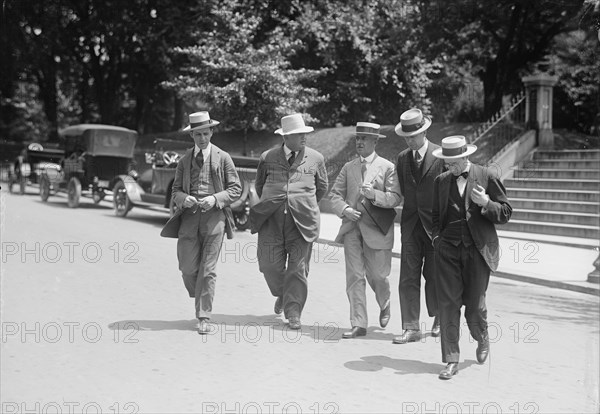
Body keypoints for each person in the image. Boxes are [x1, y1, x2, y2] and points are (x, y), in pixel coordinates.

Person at [431, 135, 512, 380]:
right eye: (446, 162)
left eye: (453, 162)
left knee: (475, 308)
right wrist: (437, 239)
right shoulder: (441, 181)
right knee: (448, 305)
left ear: (466, 156)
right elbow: (435, 217)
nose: (449, 167)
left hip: (477, 251)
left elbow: (506, 212)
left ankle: (482, 337)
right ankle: (451, 360)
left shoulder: (487, 176)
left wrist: (486, 202)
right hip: (447, 252)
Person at [250, 113, 328, 330]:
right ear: (286, 137)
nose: (304, 137)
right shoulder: (268, 157)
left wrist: (302, 203)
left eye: (305, 133)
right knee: (268, 265)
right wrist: (275, 202)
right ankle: (284, 294)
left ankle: (293, 312)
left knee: (298, 269)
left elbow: (322, 187)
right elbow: (259, 185)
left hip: (301, 222)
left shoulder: (316, 158)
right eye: (298, 134)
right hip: (272, 220)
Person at [168, 111, 242, 335]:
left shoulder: (224, 157)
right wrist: (184, 199)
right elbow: (175, 191)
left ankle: (203, 316)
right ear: (191, 135)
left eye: (205, 133)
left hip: (215, 220)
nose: (202, 138)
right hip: (189, 220)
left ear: (212, 132)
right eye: (197, 134)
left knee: (208, 270)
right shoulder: (184, 160)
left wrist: (215, 199)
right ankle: (198, 291)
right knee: (188, 268)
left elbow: (235, 189)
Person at [329, 122, 401, 339]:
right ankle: (358, 323)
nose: (359, 142)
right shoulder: (348, 167)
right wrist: (345, 209)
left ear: (375, 141)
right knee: (354, 276)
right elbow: (335, 195)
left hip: (378, 231)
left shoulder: (388, 167)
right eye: (357, 138)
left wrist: (374, 196)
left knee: (378, 275)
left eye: (364, 139)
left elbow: (395, 198)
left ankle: (385, 301)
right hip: (351, 229)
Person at [393, 108, 445, 344]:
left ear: (424, 132)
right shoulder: (403, 158)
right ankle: (411, 327)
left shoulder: (441, 155)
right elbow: (403, 189)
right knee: (408, 277)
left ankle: (439, 316)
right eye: (406, 136)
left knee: (435, 275)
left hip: (436, 228)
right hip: (410, 226)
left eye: (412, 136)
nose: (409, 140)